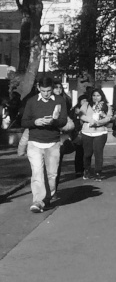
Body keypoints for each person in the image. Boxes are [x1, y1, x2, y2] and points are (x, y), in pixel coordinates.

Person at [21, 72, 70, 212]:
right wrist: (35, 122)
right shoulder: (31, 101)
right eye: (43, 91)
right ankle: (37, 201)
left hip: (53, 143)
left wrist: (53, 121)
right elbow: (24, 122)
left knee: (52, 175)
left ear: (52, 88)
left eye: (48, 91)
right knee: (37, 173)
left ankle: (47, 198)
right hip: (35, 142)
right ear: (38, 88)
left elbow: (63, 121)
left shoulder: (59, 100)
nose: (46, 94)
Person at [75, 87, 113, 181]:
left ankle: (97, 172)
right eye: (94, 95)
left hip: (100, 132)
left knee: (98, 153)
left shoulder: (106, 106)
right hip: (87, 132)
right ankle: (87, 170)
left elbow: (109, 117)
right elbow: (81, 115)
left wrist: (98, 123)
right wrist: (90, 120)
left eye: (98, 95)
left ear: (102, 96)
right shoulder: (86, 104)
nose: (96, 97)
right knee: (87, 154)